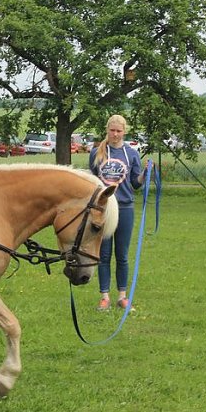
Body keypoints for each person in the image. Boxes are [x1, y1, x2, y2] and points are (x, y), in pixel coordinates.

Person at [88, 114, 148, 312]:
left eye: (119, 131)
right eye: (112, 130)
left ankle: (122, 296)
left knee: (122, 255)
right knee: (103, 255)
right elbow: (93, 182)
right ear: (107, 130)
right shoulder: (97, 152)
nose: (115, 134)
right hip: (104, 209)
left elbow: (135, 184)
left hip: (125, 208)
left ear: (124, 132)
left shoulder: (131, 153)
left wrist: (145, 174)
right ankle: (104, 297)